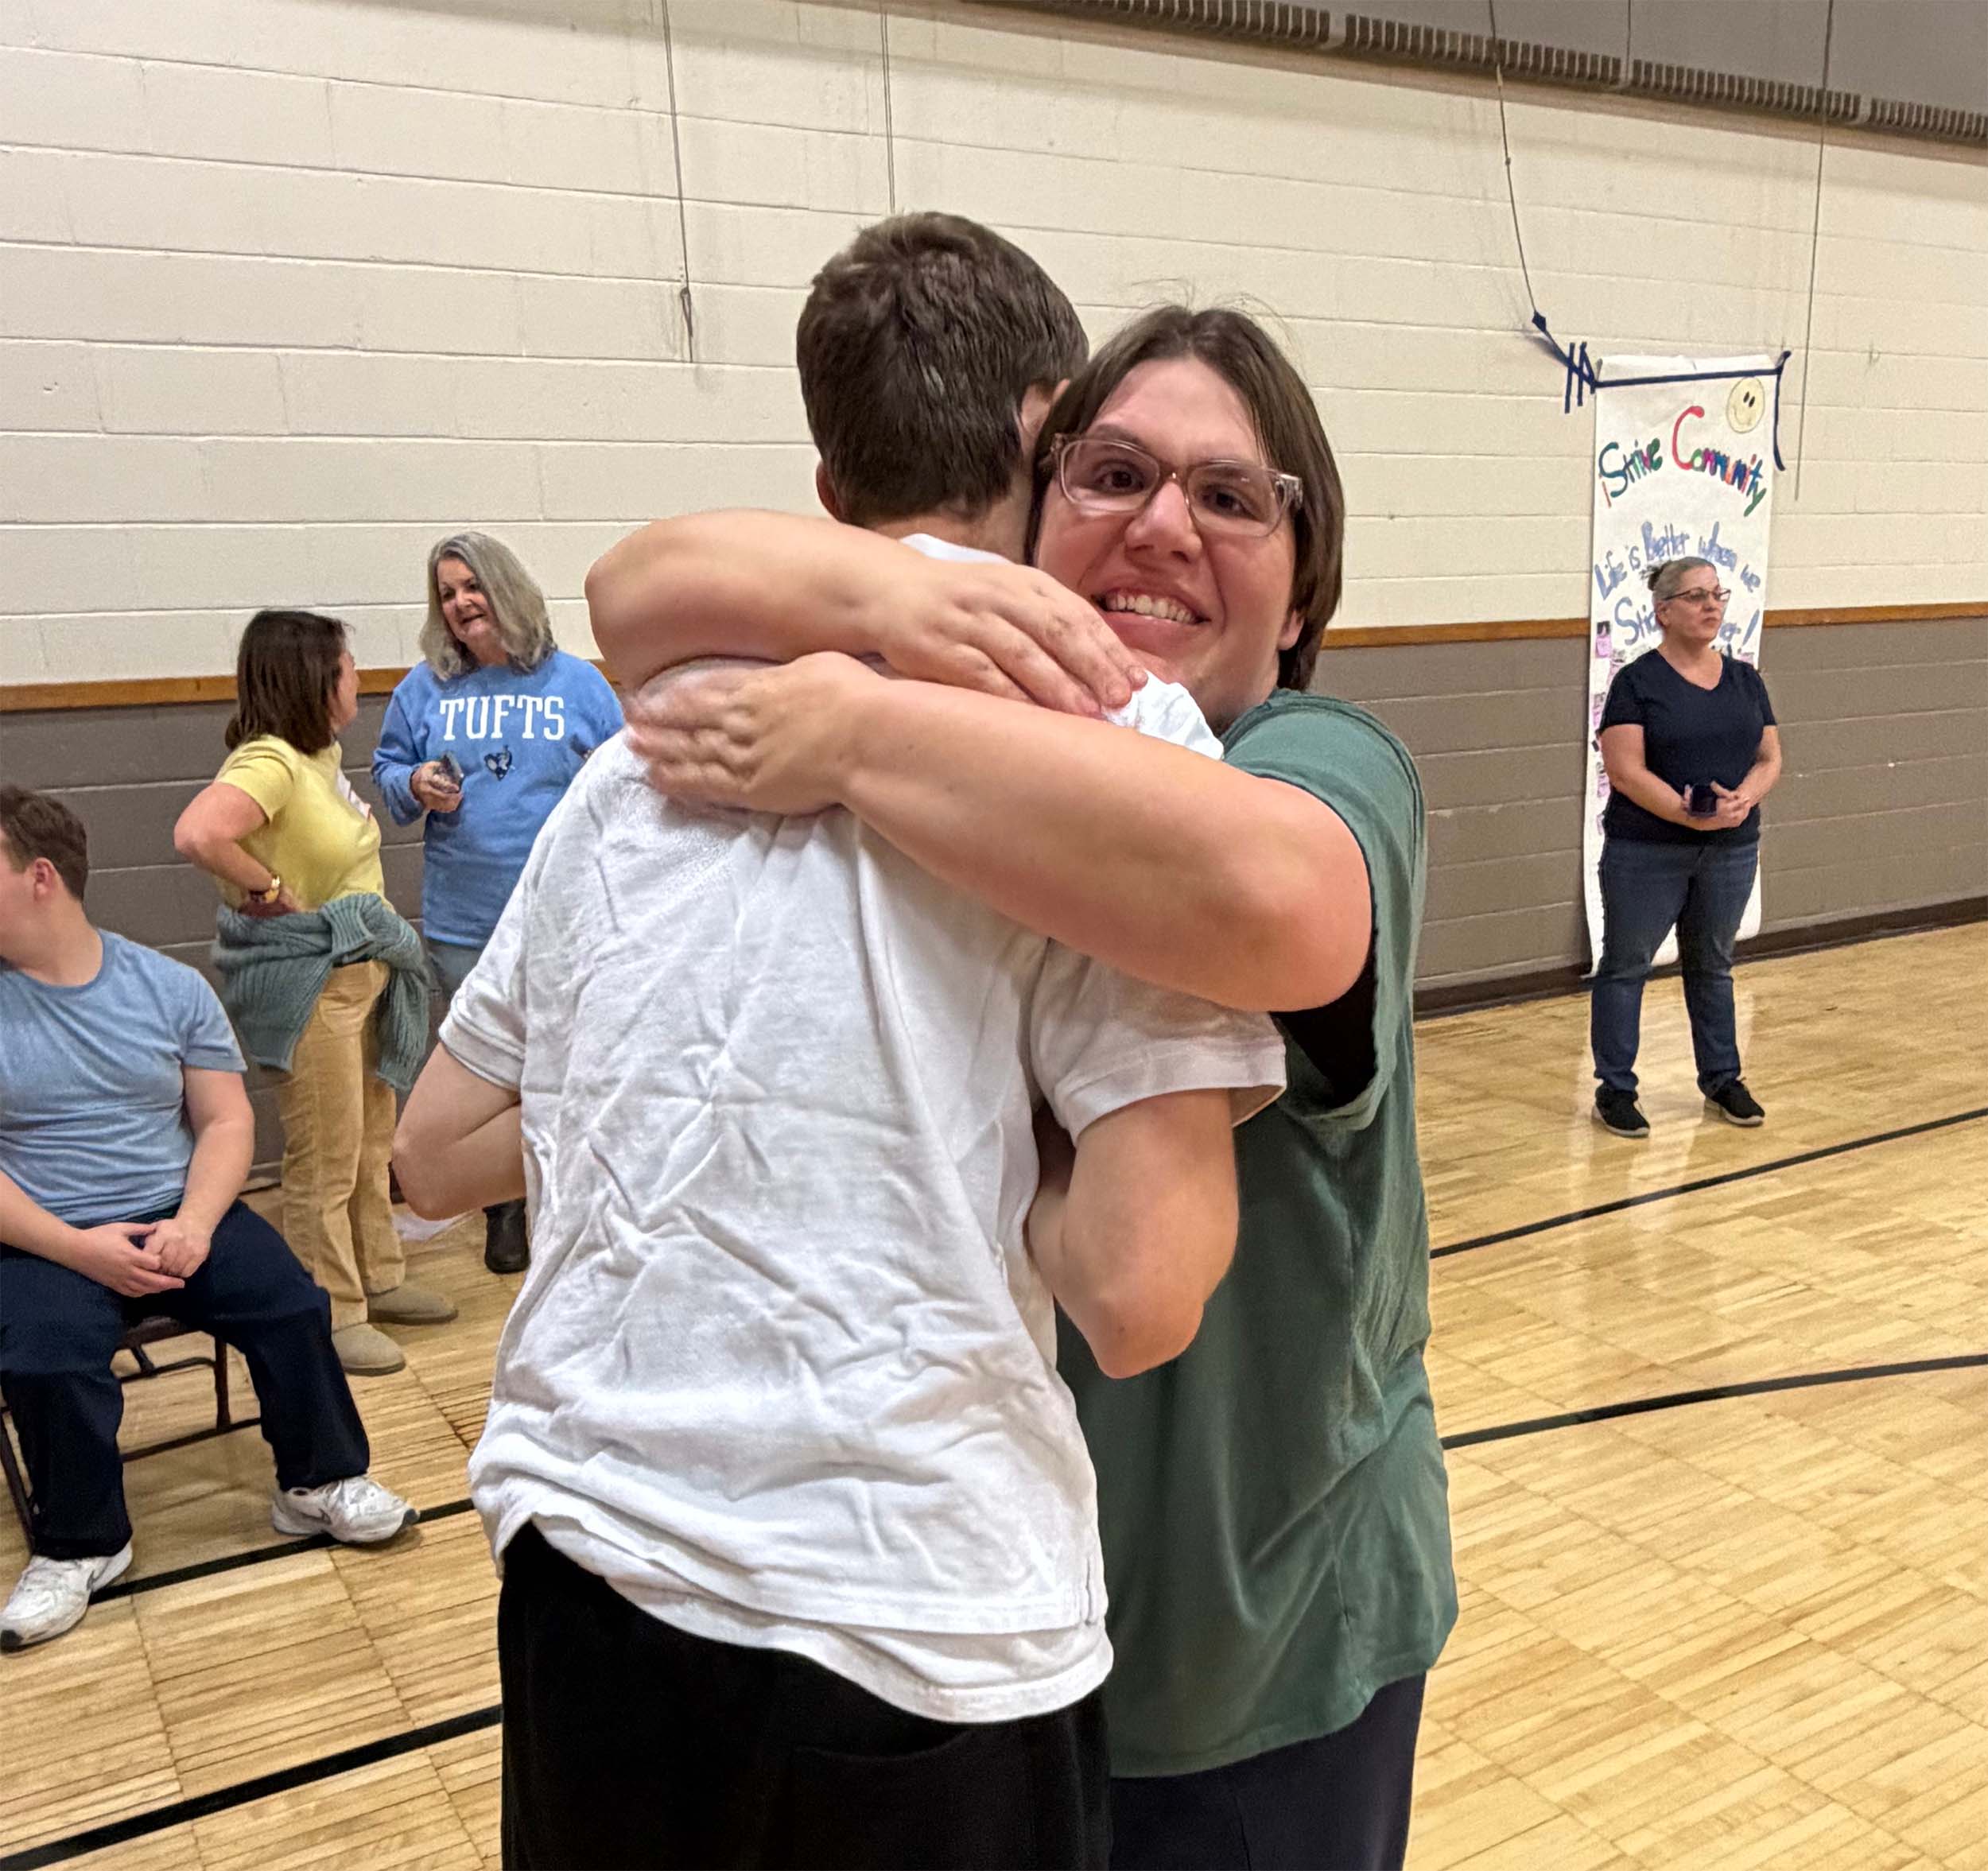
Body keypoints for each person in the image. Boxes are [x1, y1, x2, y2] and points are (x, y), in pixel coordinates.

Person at [395, 213, 1288, 1871]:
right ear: (1041, 422)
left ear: (825, 484)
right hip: (909, 1611)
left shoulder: (639, 749)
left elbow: (430, 1154)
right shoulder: (1104, 725)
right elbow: (1142, 1287)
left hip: (587, 1566)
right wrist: (969, 1147)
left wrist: (713, 1106)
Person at [593, 301, 1455, 1871]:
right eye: (1112, 472)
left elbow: (1274, 896)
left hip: (1245, 1640)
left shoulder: (1321, 758)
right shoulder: (968, 755)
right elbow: (631, 590)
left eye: (1229, 494)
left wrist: (851, 725)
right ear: (1030, 505)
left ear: (1300, 574)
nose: (1161, 524)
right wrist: (890, 613)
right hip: (971, 1631)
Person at [0, 787, 415, 1653]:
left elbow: (226, 1123)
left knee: (293, 1304)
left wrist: (192, 1222)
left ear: (40, 877)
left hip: (177, 1210)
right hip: (47, 1231)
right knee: (44, 1353)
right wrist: (78, 1246)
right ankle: (83, 1543)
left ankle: (318, 1481)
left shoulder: (165, 985)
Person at [173, 610, 455, 1377]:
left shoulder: (317, 755)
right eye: (345, 665)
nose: (356, 677)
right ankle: (332, 1307)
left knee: (368, 1145)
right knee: (325, 1156)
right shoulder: (268, 761)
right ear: (312, 678)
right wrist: (265, 886)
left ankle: (379, 1275)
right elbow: (199, 833)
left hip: (359, 972)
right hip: (311, 983)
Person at [371, 533, 623, 1274]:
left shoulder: (578, 685)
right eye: (446, 593)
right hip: (465, 918)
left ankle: (581, 1197)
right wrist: (412, 783)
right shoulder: (425, 690)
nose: (459, 604)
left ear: (506, 590)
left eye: (471, 587)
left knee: (573, 1056)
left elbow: (625, 777)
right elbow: (388, 772)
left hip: (570, 918)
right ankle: (503, 1210)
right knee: (488, 1073)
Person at [1592, 557, 1782, 1136]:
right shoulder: (1637, 682)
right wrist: (1685, 813)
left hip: (1730, 849)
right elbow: (1624, 770)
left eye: (1717, 594)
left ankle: (1723, 1078)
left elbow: (1770, 757)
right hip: (1646, 850)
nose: (1711, 605)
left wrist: (1742, 800)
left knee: (1713, 964)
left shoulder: (1745, 679)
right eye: (1696, 595)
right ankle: (1616, 1088)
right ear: (1664, 610)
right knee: (1626, 965)